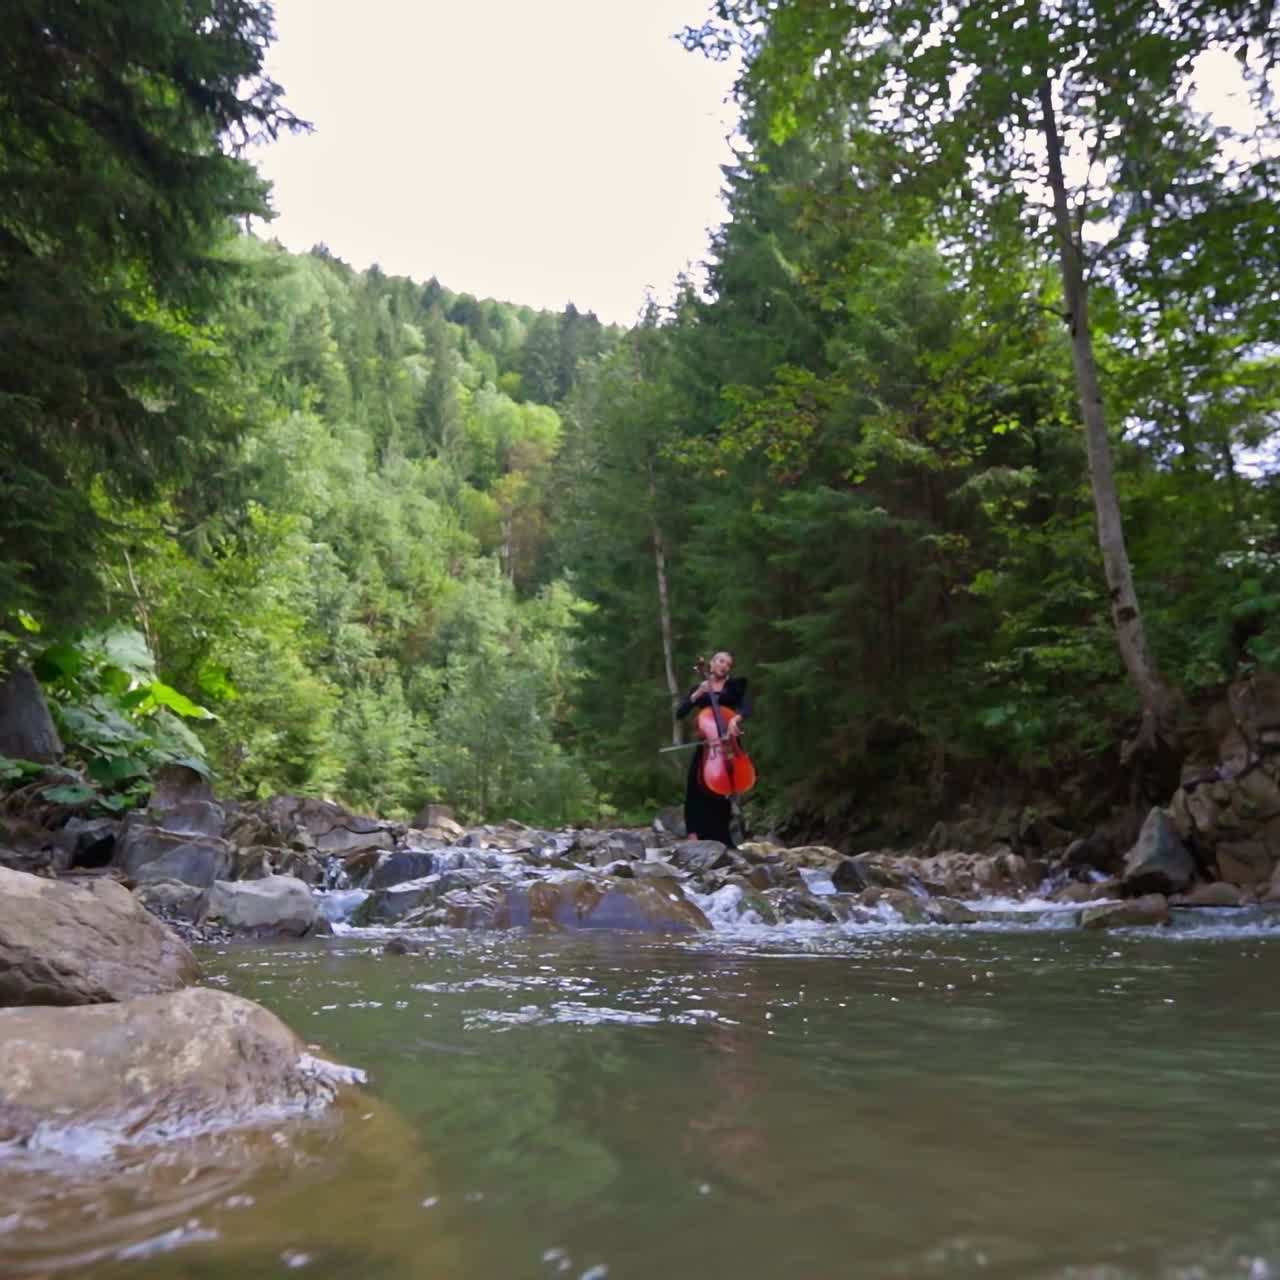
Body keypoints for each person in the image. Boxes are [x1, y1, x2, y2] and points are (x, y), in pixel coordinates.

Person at [675, 650, 751, 847]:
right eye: (720, 661)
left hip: (729, 742)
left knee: (725, 791)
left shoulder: (735, 686)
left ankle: (723, 837)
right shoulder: (699, 688)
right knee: (695, 786)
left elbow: (746, 707)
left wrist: (736, 718)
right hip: (709, 745)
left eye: (728, 664)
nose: (723, 665)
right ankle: (694, 834)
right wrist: (697, 695)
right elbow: (680, 713)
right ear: (711, 663)